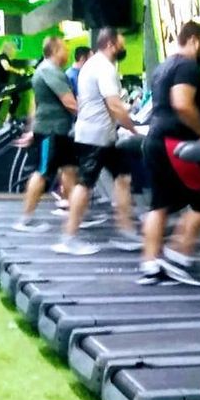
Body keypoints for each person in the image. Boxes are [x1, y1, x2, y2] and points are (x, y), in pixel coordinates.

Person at [140, 21, 200, 285]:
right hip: (177, 144)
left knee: (160, 204)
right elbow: (182, 104)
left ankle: (151, 264)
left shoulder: (164, 67)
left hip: (156, 139)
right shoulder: (187, 66)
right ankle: (176, 256)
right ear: (194, 40)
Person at [53, 28, 139, 256]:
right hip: (96, 137)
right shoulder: (104, 68)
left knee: (123, 177)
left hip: (102, 135)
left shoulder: (92, 65)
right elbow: (114, 105)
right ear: (111, 44)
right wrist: (133, 128)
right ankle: (68, 238)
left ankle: (126, 230)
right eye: (122, 43)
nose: (124, 47)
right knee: (85, 184)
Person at [12, 37, 79, 232]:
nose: (67, 53)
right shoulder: (49, 70)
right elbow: (69, 102)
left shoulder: (48, 70)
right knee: (42, 172)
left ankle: (74, 215)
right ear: (55, 50)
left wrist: (31, 129)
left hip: (60, 130)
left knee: (69, 169)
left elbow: (36, 105)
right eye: (65, 49)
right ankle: (25, 220)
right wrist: (93, 117)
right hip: (51, 131)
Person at [0, 40, 28, 126]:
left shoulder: (4, 58)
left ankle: (5, 120)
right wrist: (18, 71)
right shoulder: (3, 56)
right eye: (13, 50)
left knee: (2, 103)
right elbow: (6, 67)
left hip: (0, 85)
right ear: (9, 50)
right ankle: (5, 120)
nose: (14, 53)